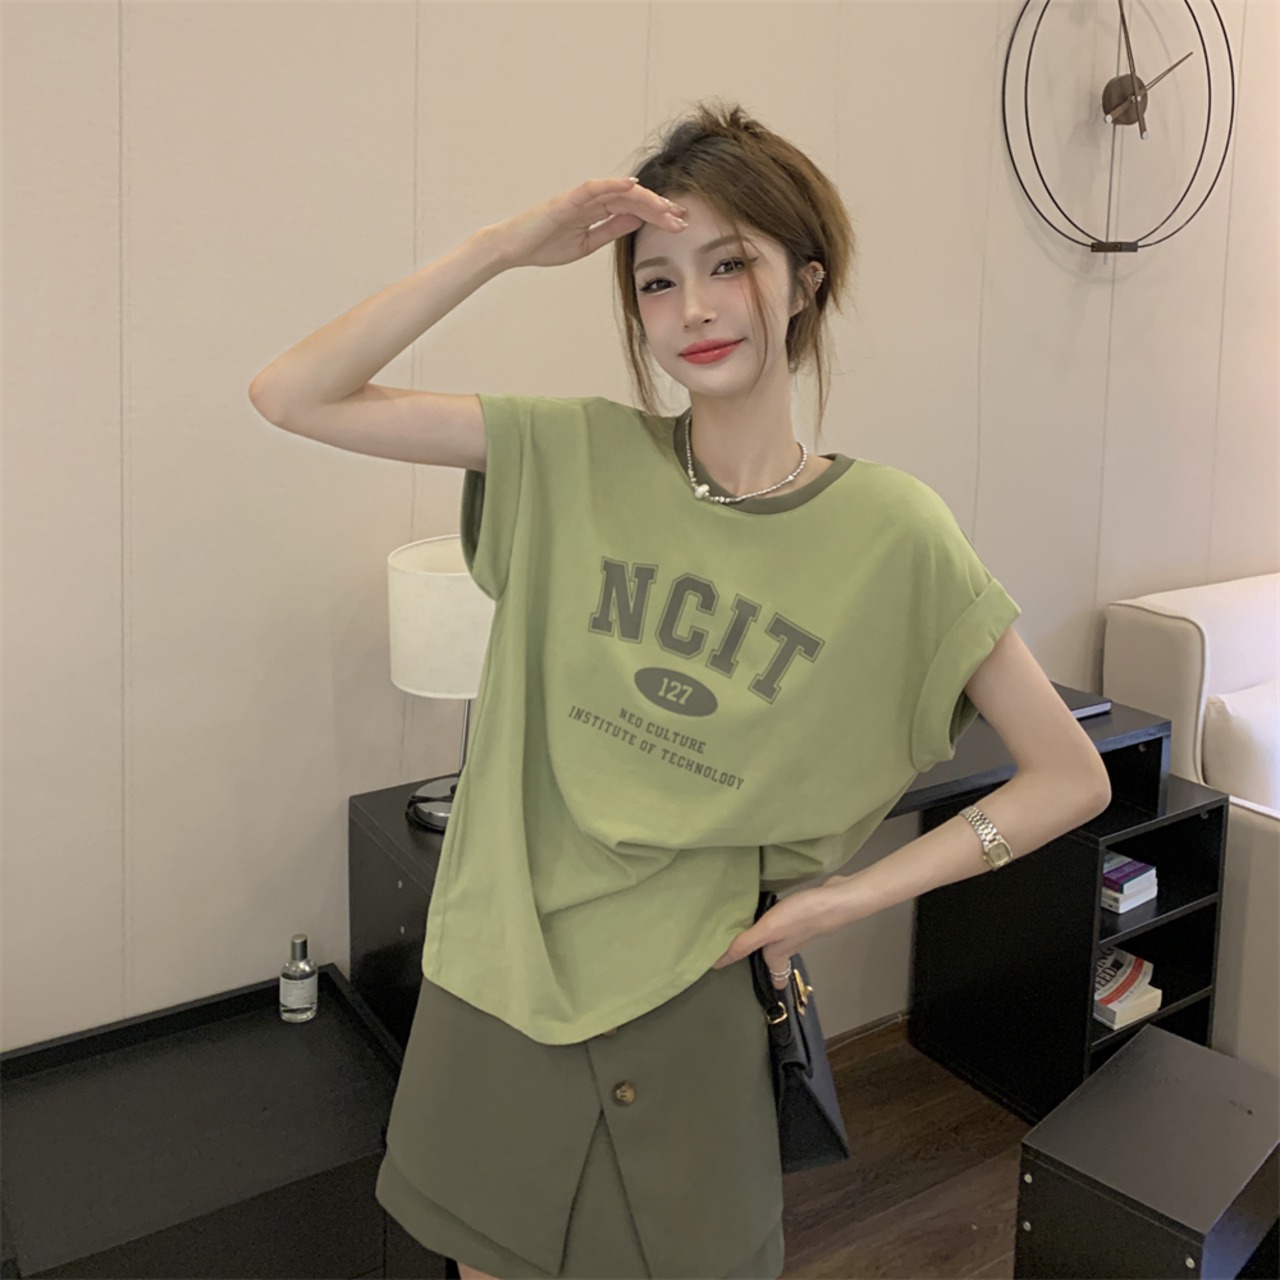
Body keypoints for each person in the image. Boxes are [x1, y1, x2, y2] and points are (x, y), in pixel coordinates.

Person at [248, 99, 1111, 1280]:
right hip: (500, 976)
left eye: (728, 264)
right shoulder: (573, 453)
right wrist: (500, 246)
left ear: (804, 282)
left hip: (692, 992)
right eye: (656, 282)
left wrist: (847, 898)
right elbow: (292, 392)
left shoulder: (892, 531)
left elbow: (1067, 775)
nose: (692, 308)